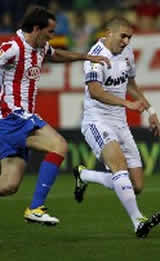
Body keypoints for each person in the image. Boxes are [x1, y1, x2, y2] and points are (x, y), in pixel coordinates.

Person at [0, 5, 110, 226]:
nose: (53, 36)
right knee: (58, 145)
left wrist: (84, 56)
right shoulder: (12, 47)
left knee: (8, 186)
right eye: (50, 32)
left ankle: (34, 208)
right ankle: (35, 208)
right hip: (12, 116)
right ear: (37, 28)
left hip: (17, 120)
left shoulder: (40, 47)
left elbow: (56, 54)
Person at [73, 17, 160, 238]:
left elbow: (130, 84)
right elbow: (95, 91)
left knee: (137, 185)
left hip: (120, 123)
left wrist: (150, 111)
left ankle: (84, 176)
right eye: (122, 36)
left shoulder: (127, 53)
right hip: (97, 120)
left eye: (129, 37)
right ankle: (138, 221)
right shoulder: (96, 56)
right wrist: (127, 104)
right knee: (119, 168)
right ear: (108, 33)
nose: (126, 41)